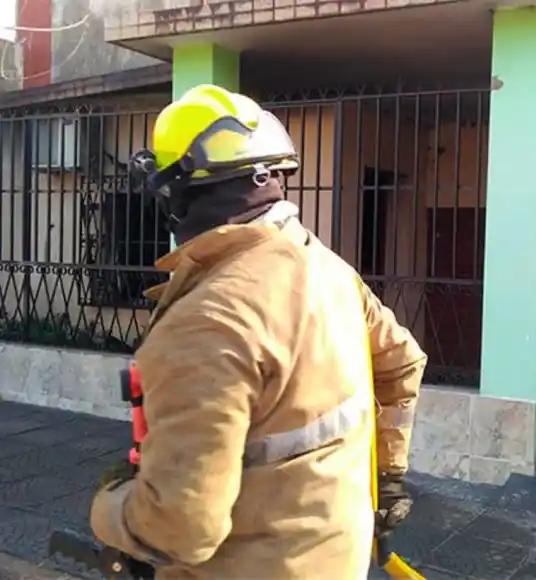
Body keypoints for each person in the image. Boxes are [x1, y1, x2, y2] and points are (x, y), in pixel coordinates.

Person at [89, 84, 427, 579]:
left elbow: (179, 530)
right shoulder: (329, 270)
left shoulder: (205, 320)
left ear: (176, 195)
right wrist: (388, 477)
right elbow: (403, 362)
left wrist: (111, 506)